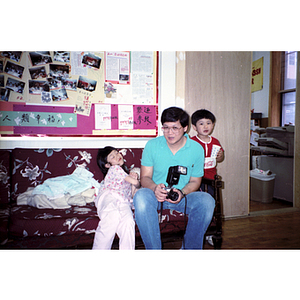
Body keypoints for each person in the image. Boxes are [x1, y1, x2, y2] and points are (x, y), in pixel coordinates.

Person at [133, 107, 215, 249]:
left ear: (185, 128)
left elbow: (195, 181)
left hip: (182, 195)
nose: (169, 133)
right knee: (140, 196)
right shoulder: (152, 145)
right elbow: (145, 177)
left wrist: (182, 193)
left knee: (207, 201)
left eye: (175, 128)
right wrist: (155, 188)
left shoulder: (196, 149)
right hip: (155, 195)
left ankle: (189, 250)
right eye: (166, 127)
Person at [92, 146, 140, 250]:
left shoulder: (125, 174)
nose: (117, 156)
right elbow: (136, 183)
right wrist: (135, 180)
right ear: (107, 165)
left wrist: (133, 181)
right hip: (109, 196)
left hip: (123, 201)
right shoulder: (114, 169)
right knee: (112, 217)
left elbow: (132, 194)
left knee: (128, 222)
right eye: (112, 156)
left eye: (117, 153)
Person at [191, 109, 224, 195]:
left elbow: (220, 159)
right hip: (195, 178)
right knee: (198, 199)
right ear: (194, 127)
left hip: (211, 177)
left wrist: (220, 155)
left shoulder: (215, 141)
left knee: (212, 197)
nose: (205, 126)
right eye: (201, 124)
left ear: (213, 125)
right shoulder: (191, 142)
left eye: (208, 123)